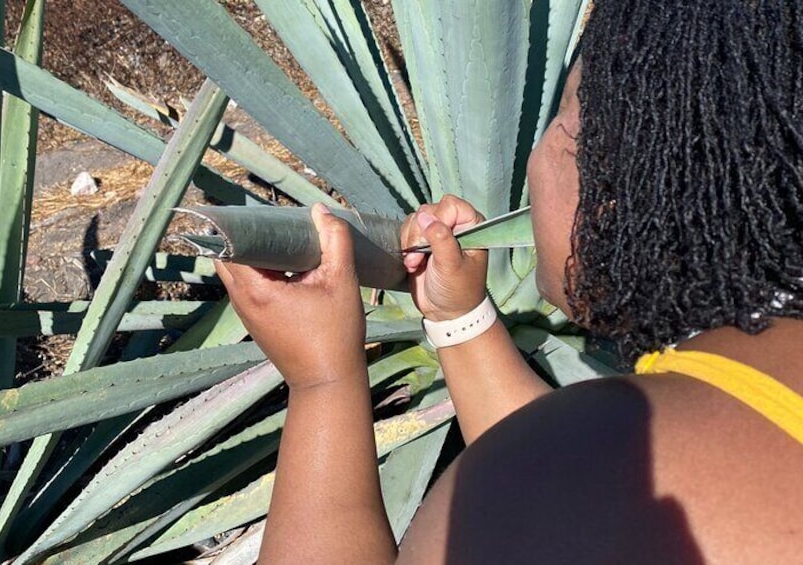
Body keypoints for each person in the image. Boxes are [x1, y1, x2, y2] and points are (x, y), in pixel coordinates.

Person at [215, 1, 803, 562]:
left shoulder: (546, 489)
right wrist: (458, 319)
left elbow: (566, 487)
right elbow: (582, 478)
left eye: (565, 118)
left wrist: (323, 380)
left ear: (628, 175)